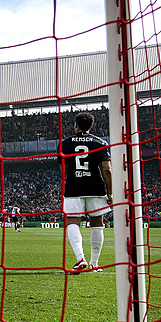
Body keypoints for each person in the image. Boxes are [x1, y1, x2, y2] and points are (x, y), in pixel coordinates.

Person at [61, 112, 112, 273]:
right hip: (95, 187)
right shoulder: (100, 142)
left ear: (75, 125)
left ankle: (80, 258)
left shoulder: (65, 143)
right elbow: (107, 169)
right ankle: (94, 264)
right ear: (91, 126)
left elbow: (63, 168)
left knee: (72, 222)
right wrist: (110, 192)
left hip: (73, 187)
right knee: (97, 224)